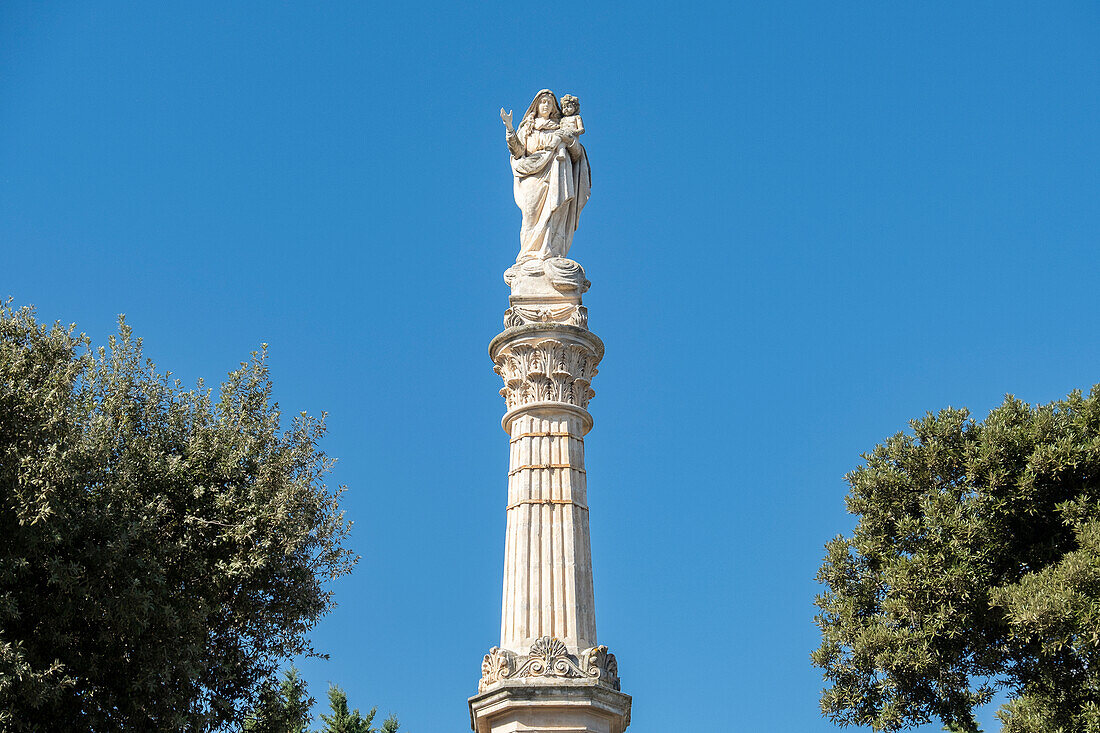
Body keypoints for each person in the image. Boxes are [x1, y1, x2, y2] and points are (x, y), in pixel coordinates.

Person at [500, 89, 591, 263]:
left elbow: (577, 154)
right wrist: (510, 128)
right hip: (532, 175)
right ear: (536, 105)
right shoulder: (528, 128)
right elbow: (518, 151)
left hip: (557, 175)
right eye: (543, 102)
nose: (546, 105)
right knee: (530, 215)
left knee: (554, 213)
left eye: (549, 103)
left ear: (553, 108)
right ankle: (528, 254)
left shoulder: (559, 128)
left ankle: (549, 251)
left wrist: (568, 140)